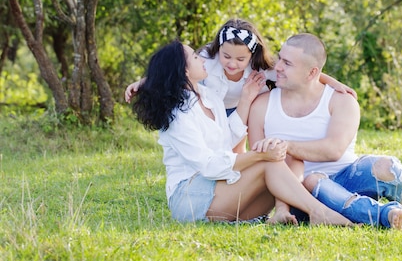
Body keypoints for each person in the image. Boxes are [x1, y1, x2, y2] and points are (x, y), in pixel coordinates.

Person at [131, 40, 352, 226]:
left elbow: (226, 139)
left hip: (221, 190)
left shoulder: (209, 96)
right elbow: (207, 165)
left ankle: (285, 211)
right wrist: (258, 156)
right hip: (190, 198)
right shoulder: (177, 114)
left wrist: (246, 97)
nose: (202, 58)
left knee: (289, 155)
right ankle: (319, 212)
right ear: (184, 70)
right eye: (195, 57)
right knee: (269, 160)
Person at [248, 33, 402, 230]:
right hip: (300, 194)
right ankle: (385, 215)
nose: (278, 67)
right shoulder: (261, 105)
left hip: (348, 176)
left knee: (387, 166)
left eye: (288, 63)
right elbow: (259, 162)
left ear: (312, 73)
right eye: (280, 59)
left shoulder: (341, 100)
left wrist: (287, 145)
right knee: (314, 180)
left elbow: (333, 150)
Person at [125, 18, 355, 152]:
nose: (232, 64)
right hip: (210, 110)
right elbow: (172, 70)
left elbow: (304, 73)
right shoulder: (207, 57)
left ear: (251, 56)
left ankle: (238, 184)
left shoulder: (261, 67)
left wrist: (334, 83)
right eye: (226, 56)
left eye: (240, 59)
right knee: (211, 148)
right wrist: (143, 82)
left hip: (241, 109)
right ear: (219, 50)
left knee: (236, 151)